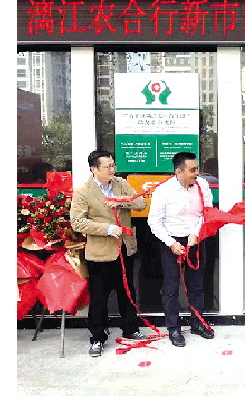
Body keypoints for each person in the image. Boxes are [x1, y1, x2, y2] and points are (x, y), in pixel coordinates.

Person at [70, 150, 147, 357]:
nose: (112, 170)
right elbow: (77, 222)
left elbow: (141, 203)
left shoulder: (121, 183)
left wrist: (120, 200)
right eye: (107, 166)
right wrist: (107, 229)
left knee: (127, 292)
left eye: (113, 165)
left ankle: (131, 328)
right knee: (99, 297)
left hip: (124, 248)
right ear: (94, 169)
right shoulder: (83, 191)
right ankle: (97, 337)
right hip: (100, 252)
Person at [147, 151, 214, 347]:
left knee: (197, 285)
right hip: (171, 240)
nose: (196, 173)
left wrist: (195, 233)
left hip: (195, 238)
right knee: (171, 287)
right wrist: (171, 243)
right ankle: (174, 328)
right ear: (179, 171)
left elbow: (207, 212)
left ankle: (197, 323)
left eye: (197, 169)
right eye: (192, 170)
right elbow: (154, 221)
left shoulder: (202, 185)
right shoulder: (164, 191)